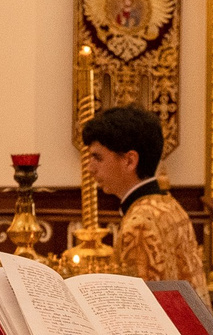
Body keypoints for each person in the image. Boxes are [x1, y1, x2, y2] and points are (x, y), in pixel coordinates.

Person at [83, 105, 204, 285]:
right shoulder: (170, 206)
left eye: (98, 158)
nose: (90, 168)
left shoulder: (139, 225)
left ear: (130, 161)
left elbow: (138, 306)